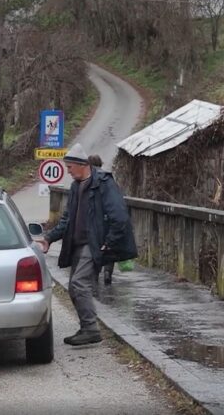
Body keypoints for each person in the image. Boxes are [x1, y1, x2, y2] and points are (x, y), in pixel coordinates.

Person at [38, 144, 137, 346]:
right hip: (78, 243)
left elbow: (119, 217)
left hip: (94, 244)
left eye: (69, 167)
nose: (68, 171)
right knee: (74, 287)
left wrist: (108, 242)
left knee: (79, 283)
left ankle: (91, 329)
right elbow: (67, 219)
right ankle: (86, 328)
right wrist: (49, 238)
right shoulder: (76, 187)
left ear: (81, 165)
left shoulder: (103, 183)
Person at [88, 154, 115, 286]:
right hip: (108, 219)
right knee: (109, 246)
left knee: (95, 247)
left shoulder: (87, 179)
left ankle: (95, 276)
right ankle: (108, 272)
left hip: (94, 221)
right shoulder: (108, 178)